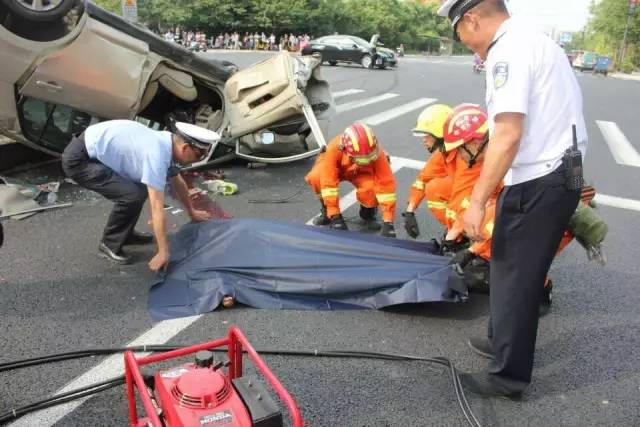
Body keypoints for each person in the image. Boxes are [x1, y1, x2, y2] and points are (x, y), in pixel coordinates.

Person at [438, 0, 587, 398]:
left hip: (540, 179)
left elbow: (506, 134)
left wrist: (476, 201)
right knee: (506, 263)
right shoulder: (535, 40)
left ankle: (508, 378)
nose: (466, 44)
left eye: (461, 35)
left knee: (518, 277)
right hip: (551, 173)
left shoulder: (508, 51)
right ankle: (500, 337)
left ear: (471, 19)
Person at [61, 120, 216, 272]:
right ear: (185, 148)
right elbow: (157, 208)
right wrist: (163, 252)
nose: (200, 159)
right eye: (199, 155)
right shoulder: (157, 156)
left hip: (95, 148)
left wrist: (191, 212)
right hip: (80, 160)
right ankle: (109, 243)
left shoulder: (168, 142)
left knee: (138, 191)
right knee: (132, 195)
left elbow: (178, 181)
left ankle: (125, 234)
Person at [305, 123, 397, 237]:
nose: (367, 160)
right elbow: (328, 183)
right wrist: (335, 216)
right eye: (362, 159)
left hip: (361, 172)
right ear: (345, 150)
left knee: (371, 188)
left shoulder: (377, 152)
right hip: (337, 169)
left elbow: (386, 184)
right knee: (316, 177)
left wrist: (388, 221)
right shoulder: (334, 148)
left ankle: (368, 213)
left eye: (370, 158)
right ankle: (326, 211)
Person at [403, 104, 455, 233]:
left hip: (489, 203)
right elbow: (423, 179)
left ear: (440, 134)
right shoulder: (443, 153)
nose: (423, 140)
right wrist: (410, 211)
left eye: (427, 135)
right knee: (433, 186)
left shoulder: (464, 156)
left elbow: (465, 192)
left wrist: (455, 233)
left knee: (435, 189)